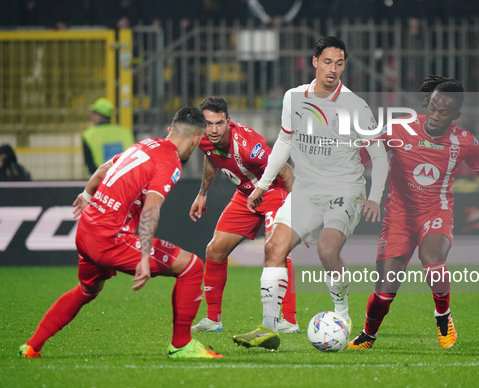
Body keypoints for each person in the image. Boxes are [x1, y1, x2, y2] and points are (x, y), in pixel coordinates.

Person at [19, 107, 223, 359]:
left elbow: (105, 168)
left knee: (87, 288)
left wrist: (86, 195)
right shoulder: (170, 162)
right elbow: (151, 209)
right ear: (195, 139)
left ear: (170, 130)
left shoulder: (145, 144)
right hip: (110, 239)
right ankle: (181, 345)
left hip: (86, 230)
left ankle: (32, 346)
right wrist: (145, 258)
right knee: (191, 267)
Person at [233, 36, 389, 350]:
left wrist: (374, 196)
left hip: (344, 190)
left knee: (327, 251)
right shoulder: (293, 98)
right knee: (273, 249)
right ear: (314, 61)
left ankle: (342, 313)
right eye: (328, 62)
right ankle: (268, 328)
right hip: (305, 190)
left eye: (340, 63)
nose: (333, 69)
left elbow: (380, 154)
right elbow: (285, 142)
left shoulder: (355, 105)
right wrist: (263, 184)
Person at [348, 75, 479, 350]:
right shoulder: (398, 129)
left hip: (436, 211)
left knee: (432, 259)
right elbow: (363, 156)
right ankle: (368, 335)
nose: (434, 116)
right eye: (432, 108)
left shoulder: (464, 141)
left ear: (455, 115)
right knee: (386, 288)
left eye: (443, 112)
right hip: (398, 216)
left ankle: (443, 317)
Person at [189, 97, 299, 334]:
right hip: (244, 196)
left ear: (228, 121)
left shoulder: (248, 145)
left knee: (276, 251)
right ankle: (212, 320)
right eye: (209, 124)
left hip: (273, 191)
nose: (214, 129)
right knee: (214, 250)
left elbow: (285, 169)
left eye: (219, 123)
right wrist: (202, 193)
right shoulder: (204, 139)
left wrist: (296, 208)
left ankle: (289, 321)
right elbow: (211, 160)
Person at [82, 97, 135, 175]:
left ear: (99, 116)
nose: (92, 116)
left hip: (99, 182)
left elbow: (89, 163)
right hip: (124, 179)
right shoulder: (126, 133)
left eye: (94, 113)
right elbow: (133, 158)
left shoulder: (88, 135)